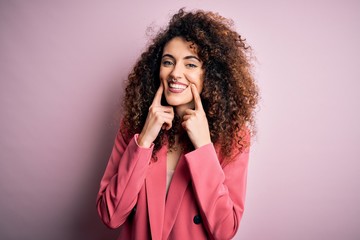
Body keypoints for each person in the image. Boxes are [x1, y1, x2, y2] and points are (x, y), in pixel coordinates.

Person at [96, 8, 258, 240]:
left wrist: (204, 148)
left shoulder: (233, 136)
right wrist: (144, 141)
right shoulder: (134, 125)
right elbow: (110, 216)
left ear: (211, 75)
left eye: (190, 64)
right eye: (168, 62)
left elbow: (224, 230)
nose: (175, 73)